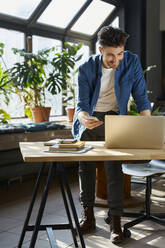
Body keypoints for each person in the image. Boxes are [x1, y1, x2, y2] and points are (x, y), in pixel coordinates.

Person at [72, 26, 151, 244]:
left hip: (115, 119)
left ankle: (115, 221)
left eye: (119, 54)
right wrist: (84, 117)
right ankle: (88, 216)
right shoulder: (86, 68)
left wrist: (147, 125)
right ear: (100, 50)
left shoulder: (131, 62)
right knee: (85, 166)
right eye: (110, 55)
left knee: (114, 167)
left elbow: (142, 97)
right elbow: (81, 104)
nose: (116, 60)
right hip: (91, 118)